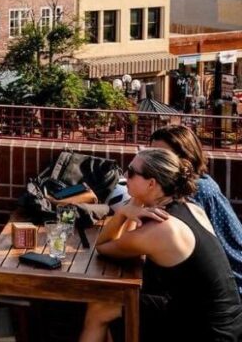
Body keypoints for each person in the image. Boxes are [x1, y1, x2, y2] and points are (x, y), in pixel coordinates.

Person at [78, 148, 242, 342]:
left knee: (100, 307)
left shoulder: (161, 228)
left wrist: (123, 213)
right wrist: (135, 204)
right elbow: (129, 242)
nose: (124, 176)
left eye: (131, 172)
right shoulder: (190, 207)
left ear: (151, 183)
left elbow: (104, 246)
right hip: (225, 319)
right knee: (110, 305)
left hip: (207, 330)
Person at [152, 125, 242, 294]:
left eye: (162, 156)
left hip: (231, 286)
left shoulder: (195, 191)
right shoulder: (194, 183)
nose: (155, 162)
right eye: (152, 155)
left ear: (186, 156)